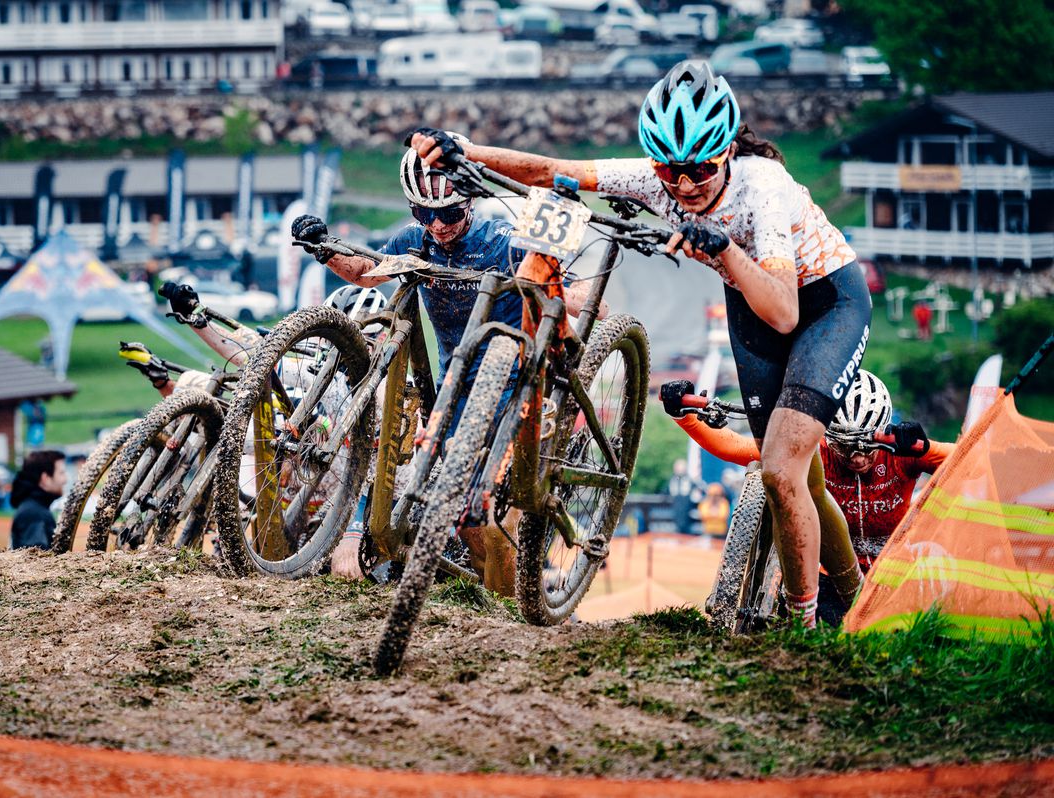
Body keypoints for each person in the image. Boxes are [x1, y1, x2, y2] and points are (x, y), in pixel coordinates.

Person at [406, 61, 872, 627]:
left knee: (779, 469)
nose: (684, 185)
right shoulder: (658, 179)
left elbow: (783, 311)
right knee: (803, 481)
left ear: (726, 152)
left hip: (823, 304)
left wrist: (723, 248)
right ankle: (855, 595)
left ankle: (809, 624)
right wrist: (466, 150)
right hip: (750, 300)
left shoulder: (762, 189)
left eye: (700, 168)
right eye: (670, 170)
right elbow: (556, 171)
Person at [292, 140, 604, 594]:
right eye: (424, 215)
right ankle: (485, 597)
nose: (437, 225)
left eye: (450, 214)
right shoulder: (413, 242)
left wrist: (558, 296)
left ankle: (511, 613)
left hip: (518, 384)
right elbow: (366, 270)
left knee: (495, 525)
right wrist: (322, 249)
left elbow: (576, 297)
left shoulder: (500, 240)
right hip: (458, 387)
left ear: (469, 203)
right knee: (467, 524)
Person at [660, 370, 954, 621]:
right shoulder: (816, 453)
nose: (857, 458)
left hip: (896, 578)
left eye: (865, 446)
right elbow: (734, 447)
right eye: (845, 447)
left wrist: (923, 447)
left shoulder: (900, 456)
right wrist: (682, 414)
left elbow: (967, 455)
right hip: (833, 581)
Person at [9, 450, 67, 550]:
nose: (65, 479)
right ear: (45, 478)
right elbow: (35, 559)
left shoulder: (34, 508)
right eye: (61, 473)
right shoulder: (34, 514)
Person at [666, 459, 700, 536]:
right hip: (675, 513)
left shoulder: (690, 481)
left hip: (687, 513)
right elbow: (665, 493)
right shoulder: (671, 481)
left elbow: (698, 493)